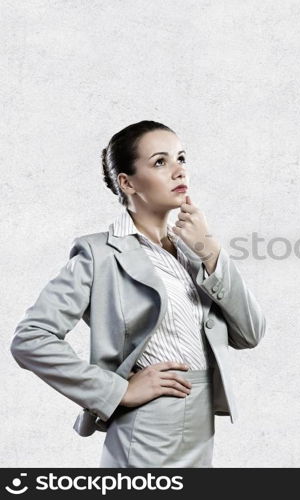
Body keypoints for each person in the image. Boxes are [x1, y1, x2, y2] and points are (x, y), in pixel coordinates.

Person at [10, 120, 266, 467]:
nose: (179, 171)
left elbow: (250, 333)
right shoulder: (98, 254)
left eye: (181, 158)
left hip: (201, 425)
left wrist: (211, 253)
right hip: (147, 428)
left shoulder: (195, 252)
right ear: (126, 183)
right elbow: (30, 338)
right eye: (160, 162)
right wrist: (119, 391)